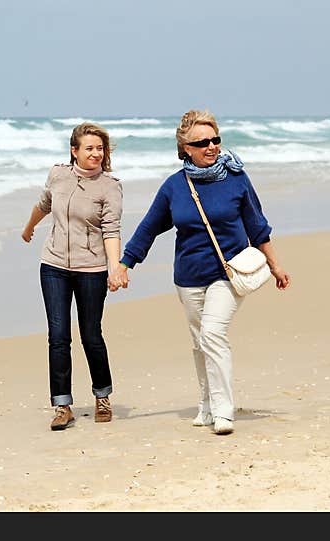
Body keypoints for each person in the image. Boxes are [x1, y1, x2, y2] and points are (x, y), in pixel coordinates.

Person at [117, 110, 290, 435]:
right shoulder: (175, 186)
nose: (211, 147)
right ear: (185, 148)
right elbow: (149, 228)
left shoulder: (236, 178)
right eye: (202, 142)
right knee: (200, 342)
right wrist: (125, 263)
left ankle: (224, 412)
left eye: (215, 139)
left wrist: (275, 264)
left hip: (229, 273)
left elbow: (257, 225)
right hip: (189, 276)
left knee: (212, 334)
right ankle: (206, 404)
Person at [21, 122, 127, 431]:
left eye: (99, 148)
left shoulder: (110, 186)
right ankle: (62, 405)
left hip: (91, 270)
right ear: (74, 151)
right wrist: (29, 228)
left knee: (91, 335)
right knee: (58, 336)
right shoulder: (58, 175)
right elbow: (44, 205)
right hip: (53, 266)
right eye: (89, 148)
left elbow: (111, 230)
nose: (96, 153)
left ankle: (102, 396)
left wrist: (114, 267)